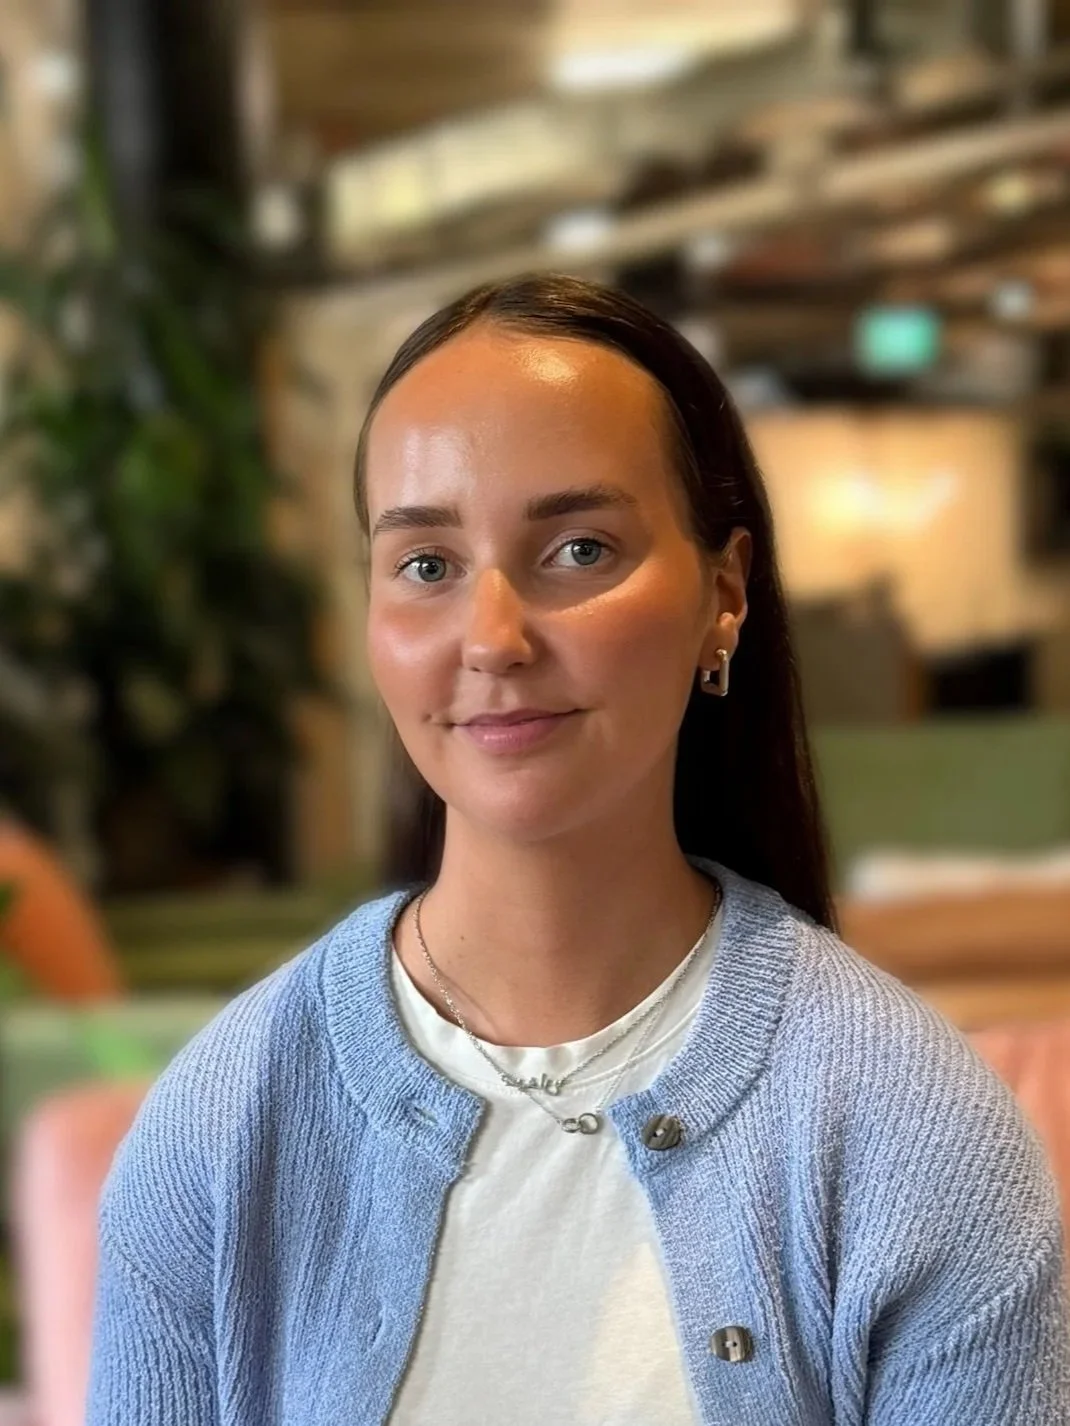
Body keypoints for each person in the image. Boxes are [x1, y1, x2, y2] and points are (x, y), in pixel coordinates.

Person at [85, 274, 1070, 1425]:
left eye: (580, 549)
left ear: (723, 593)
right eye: (426, 564)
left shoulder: (912, 1133)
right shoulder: (221, 1127)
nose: (491, 637)